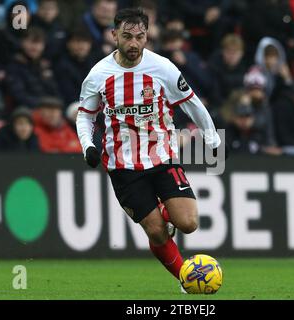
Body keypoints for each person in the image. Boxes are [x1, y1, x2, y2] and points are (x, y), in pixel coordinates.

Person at [75, 8, 224, 289]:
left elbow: (192, 103)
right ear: (114, 35)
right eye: (127, 36)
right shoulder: (98, 74)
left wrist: (214, 140)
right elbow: (85, 115)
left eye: (140, 37)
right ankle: (187, 278)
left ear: (147, 36)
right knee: (156, 232)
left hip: (163, 158)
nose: (133, 43)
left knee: (189, 222)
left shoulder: (163, 68)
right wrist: (88, 146)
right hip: (123, 167)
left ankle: (162, 211)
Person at [6, 27, 61, 109]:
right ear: (22, 43)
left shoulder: (45, 65)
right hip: (26, 111)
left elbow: (55, 92)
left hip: (50, 109)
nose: (35, 47)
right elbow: (19, 95)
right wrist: (44, 106)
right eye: (31, 42)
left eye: (39, 43)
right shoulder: (14, 66)